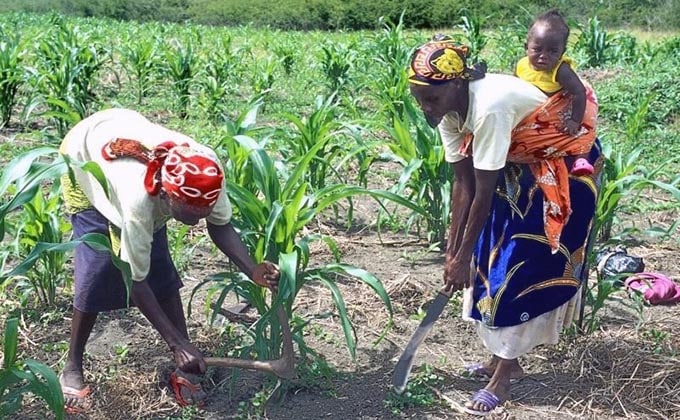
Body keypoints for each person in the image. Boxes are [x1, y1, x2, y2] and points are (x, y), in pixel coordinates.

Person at [408, 38, 600, 415]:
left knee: (517, 271)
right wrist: (453, 251)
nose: (425, 108)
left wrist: (461, 256)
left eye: (431, 98)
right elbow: (461, 183)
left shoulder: (489, 108)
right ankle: (500, 359)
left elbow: (484, 190)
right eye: (420, 99)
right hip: (518, 170)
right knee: (489, 260)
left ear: (458, 84)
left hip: (558, 172)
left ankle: (504, 377)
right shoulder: (448, 113)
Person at [58, 108, 279, 412]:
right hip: (84, 157)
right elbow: (133, 279)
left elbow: (220, 226)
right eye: (190, 216)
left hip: (126, 138)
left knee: (159, 267)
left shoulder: (205, 171)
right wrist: (174, 344)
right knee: (97, 270)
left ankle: (185, 367)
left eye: (201, 214)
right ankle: (72, 366)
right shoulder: (138, 201)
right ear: (167, 196)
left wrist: (252, 269)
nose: (195, 223)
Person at [515, 9, 594, 176]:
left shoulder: (561, 70)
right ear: (526, 48)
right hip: (537, 108)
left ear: (562, 53)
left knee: (584, 128)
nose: (543, 56)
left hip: (564, 104)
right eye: (537, 49)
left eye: (552, 51)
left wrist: (574, 120)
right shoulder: (522, 65)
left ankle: (581, 158)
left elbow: (579, 92)